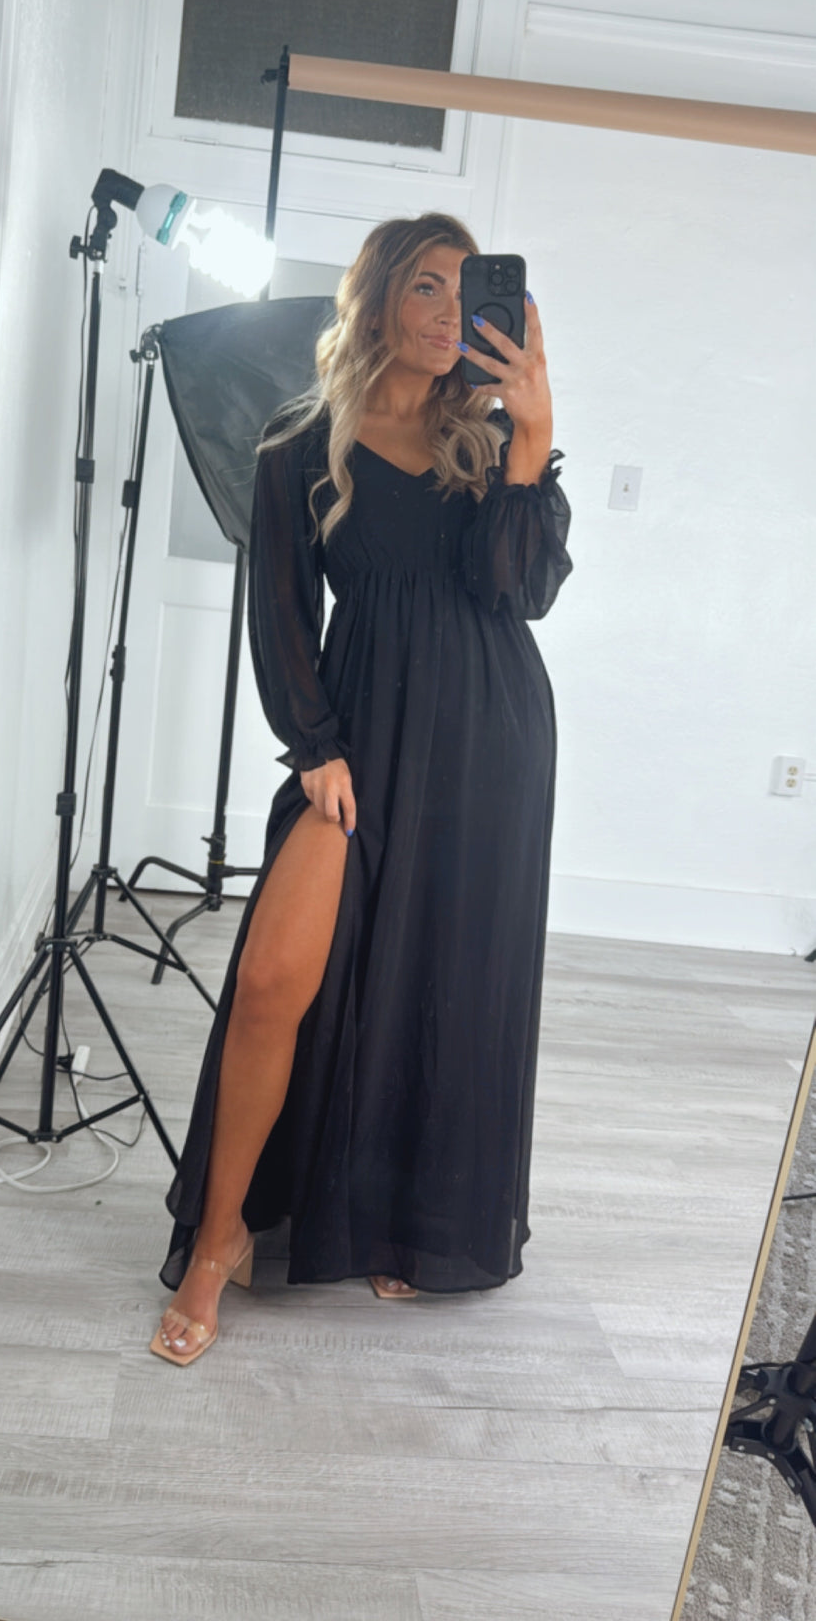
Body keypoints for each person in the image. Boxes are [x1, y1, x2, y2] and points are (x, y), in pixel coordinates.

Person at [150, 212, 573, 1366]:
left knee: (442, 989)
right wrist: (314, 746)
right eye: (425, 286)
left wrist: (532, 434)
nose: (448, 313)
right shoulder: (300, 441)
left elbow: (521, 592)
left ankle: (411, 1223)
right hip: (356, 741)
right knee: (271, 983)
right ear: (378, 295)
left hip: (487, 743)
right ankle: (219, 1236)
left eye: (466, 293)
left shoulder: (492, 436)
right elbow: (280, 612)